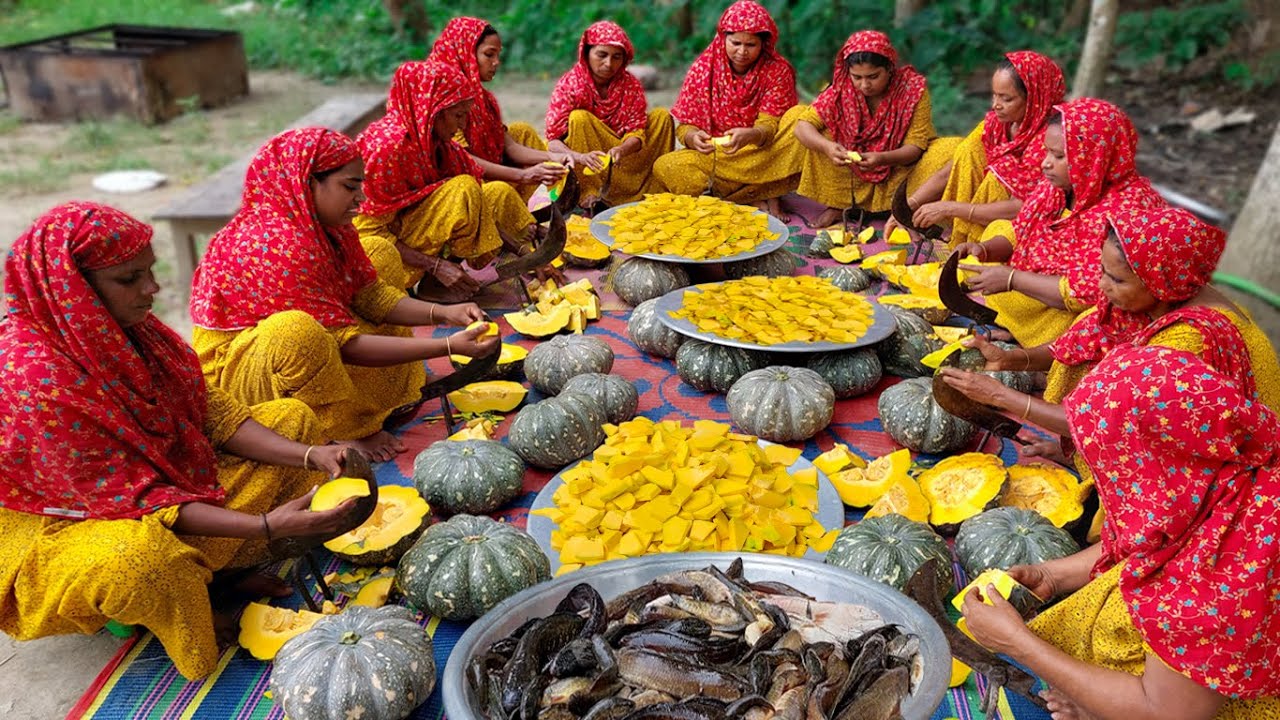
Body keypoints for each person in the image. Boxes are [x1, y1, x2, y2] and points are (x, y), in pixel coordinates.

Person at [0, 202, 359, 680]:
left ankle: (216, 575)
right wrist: (265, 526)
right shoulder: (36, 378)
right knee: (140, 561)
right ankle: (195, 610)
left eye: (150, 272)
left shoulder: (133, 331)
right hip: (66, 524)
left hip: (156, 485)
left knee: (290, 420)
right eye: (130, 279)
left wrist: (314, 454)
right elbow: (139, 501)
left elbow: (214, 414)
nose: (152, 290)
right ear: (74, 291)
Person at [961, 343, 1280, 720]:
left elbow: (1169, 712)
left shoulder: (1229, 566)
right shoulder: (1220, 467)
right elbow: (1155, 538)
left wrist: (1018, 643)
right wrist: (1053, 575)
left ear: (1153, 466)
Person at [191, 127, 498, 462]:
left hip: (316, 341)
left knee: (378, 252)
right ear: (307, 182)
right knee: (298, 333)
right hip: (242, 377)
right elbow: (345, 347)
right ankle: (341, 429)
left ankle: (381, 399)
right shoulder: (279, 245)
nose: (361, 198)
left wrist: (442, 313)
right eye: (350, 187)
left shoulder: (327, 226)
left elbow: (371, 296)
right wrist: (448, 345)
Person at [938, 205, 1280, 478]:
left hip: (1226, 465)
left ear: (1156, 280)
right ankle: (1085, 454)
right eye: (1102, 271)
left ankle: (1102, 479)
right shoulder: (1168, 291)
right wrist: (1010, 359)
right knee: (1091, 324)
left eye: (1115, 278)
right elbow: (1082, 345)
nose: (1101, 286)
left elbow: (1110, 420)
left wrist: (999, 395)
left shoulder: (1185, 344)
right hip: (1156, 415)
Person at [951, 98, 1166, 347]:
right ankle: (1012, 326)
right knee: (998, 228)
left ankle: (1040, 353)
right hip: (1035, 290)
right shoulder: (1060, 185)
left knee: (1094, 319)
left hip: (1069, 309)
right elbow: (1021, 229)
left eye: (1059, 155)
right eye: (1047, 152)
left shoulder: (1129, 212)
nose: (1045, 163)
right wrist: (984, 250)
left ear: (1095, 156)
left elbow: (1091, 292)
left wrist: (1013, 279)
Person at [354, 60, 540, 299]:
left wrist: (527, 255)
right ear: (432, 110)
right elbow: (369, 235)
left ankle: (440, 278)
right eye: (458, 116)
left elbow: (482, 206)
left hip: (411, 231)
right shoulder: (388, 149)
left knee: (493, 193)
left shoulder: (433, 142)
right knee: (464, 190)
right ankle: (430, 279)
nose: (463, 125)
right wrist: (436, 266)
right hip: (381, 257)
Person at [887, 51, 1065, 247]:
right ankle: (961, 235)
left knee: (996, 179)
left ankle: (978, 244)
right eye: (995, 95)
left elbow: (1021, 206)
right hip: (976, 210)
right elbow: (953, 168)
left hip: (1026, 221)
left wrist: (950, 209)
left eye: (1006, 99)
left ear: (1035, 99)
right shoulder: (997, 124)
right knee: (966, 149)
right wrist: (908, 207)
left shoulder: (1049, 139)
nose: (996, 105)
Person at [791, 30, 958, 228]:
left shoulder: (912, 90)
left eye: (873, 76)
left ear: (889, 68)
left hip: (898, 167)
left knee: (951, 150)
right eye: (857, 77)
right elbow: (802, 127)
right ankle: (839, 205)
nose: (865, 85)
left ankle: (897, 208)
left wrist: (883, 158)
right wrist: (828, 147)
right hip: (851, 170)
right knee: (816, 134)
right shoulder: (841, 88)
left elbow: (915, 147)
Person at [650, 1, 798, 213]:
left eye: (751, 45)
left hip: (762, 153)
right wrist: (692, 137)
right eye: (736, 43)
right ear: (723, 38)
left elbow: (771, 124)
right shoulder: (702, 69)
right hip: (717, 157)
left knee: (800, 119)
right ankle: (756, 193)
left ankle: (748, 194)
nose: (742, 52)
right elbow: (685, 126)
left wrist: (753, 134)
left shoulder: (777, 70)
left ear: (763, 43)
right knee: (666, 166)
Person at [427, 17, 569, 202]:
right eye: (489, 55)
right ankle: (518, 214)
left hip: (486, 170)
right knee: (497, 191)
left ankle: (537, 204)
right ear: (465, 53)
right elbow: (461, 158)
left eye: (498, 55)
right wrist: (522, 175)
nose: (496, 62)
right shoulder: (442, 96)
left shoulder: (481, 98)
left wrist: (554, 156)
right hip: (458, 182)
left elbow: (509, 146)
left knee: (522, 131)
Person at [545, 20, 676, 207]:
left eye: (616, 57)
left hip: (624, 155)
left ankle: (653, 188)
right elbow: (553, 141)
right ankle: (589, 192)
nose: (608, 63)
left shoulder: (630, 84)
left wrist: (622, 149)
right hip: (587, 158)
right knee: (579, 117)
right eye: (602, 55)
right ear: (587, 53)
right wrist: (579, 156)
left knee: (662, 116)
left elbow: (636, 130)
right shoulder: (570, 85)